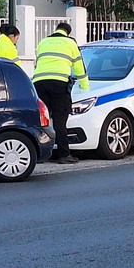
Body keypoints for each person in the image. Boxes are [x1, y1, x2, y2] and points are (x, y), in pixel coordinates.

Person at [32, 22, 88, 164]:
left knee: (41, 120)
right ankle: (64, 155)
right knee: (60, 120)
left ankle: (39, 155)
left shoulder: (43, 41)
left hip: (39, 82)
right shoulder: (70, 43)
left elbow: (37, 63)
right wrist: (85, 86)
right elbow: (79, 66)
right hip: (59, 84)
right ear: (68, 32)